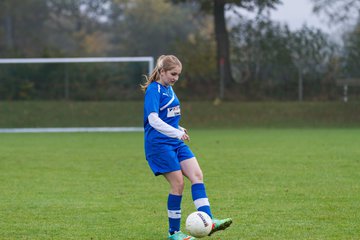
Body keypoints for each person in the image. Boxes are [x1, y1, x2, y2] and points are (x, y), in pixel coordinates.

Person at [141, 55, 232, 240]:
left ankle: (209, 219)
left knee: (197, 175)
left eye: (178, 75)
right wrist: (176, 133)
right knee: (178, 184)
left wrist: (179, 128)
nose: (176, 78)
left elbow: (168, 117)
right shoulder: (154, 89)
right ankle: (174, 233)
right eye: (173, 74)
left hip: (175, 141)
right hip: (158, 145)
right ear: (162, 71)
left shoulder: (170, 89)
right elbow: (153, 119)